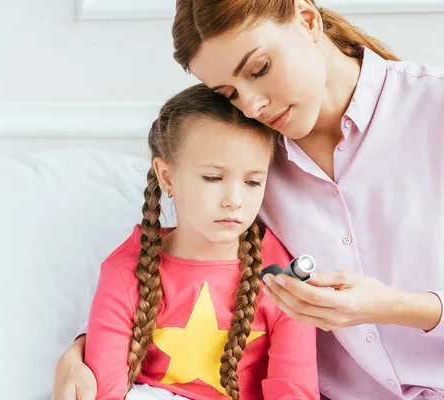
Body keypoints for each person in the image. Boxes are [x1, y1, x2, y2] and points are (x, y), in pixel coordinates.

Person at [53, 1, 444, 399]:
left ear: (307, 18)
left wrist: (388, 306)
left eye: (260, 69)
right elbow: (174, 260)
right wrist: (81, 348)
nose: (253, 106)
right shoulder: (247, 159)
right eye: (229, 94)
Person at [80, 84, 319, 400]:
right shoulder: (125, 272)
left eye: (252, 181)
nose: (233, 200)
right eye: (213, 178)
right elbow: (104, 391)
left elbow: (294, 391)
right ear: (167, 177)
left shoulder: (285, 276)